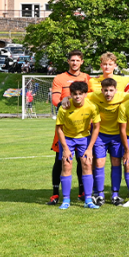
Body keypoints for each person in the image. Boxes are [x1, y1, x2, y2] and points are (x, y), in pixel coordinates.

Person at [47, 50, 92, 204]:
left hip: (83, 126)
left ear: (82, 62)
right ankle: (55, 194)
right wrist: (63, 101)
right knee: (60, 159)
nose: (74, 63)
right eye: (72, 60)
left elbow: (91, 96)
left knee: (82, 160)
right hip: (65, 125)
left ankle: (82, 192)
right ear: (68, 61)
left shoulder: (86, 77)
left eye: (77, 60)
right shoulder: (59, 78)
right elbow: (54, 99)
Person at [54, 81, 101, 209]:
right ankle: (66, 200)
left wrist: (90, 148)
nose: (77, 97)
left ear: (85, 94)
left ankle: (88, 200)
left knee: (86, 164)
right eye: (75, 94)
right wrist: (65, 148)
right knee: (66, 164)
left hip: (84, 138)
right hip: (68, 138)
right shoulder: (64, 108)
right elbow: (59, 129)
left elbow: (96, 127)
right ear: (71, 94)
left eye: (80, 94)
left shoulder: (92, 107)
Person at [88, 78, 129, 205]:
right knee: (99, 163)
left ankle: (115, 195)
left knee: (116, 163)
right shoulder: (94, 96)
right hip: (100, 135)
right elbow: (79, 95)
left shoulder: (124, 96)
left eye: (111, 90)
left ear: (116, 90)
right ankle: (99, 194)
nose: (108, 93)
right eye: (105, 90)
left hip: (117, 136)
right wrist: (67, 99)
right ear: (101, 90)